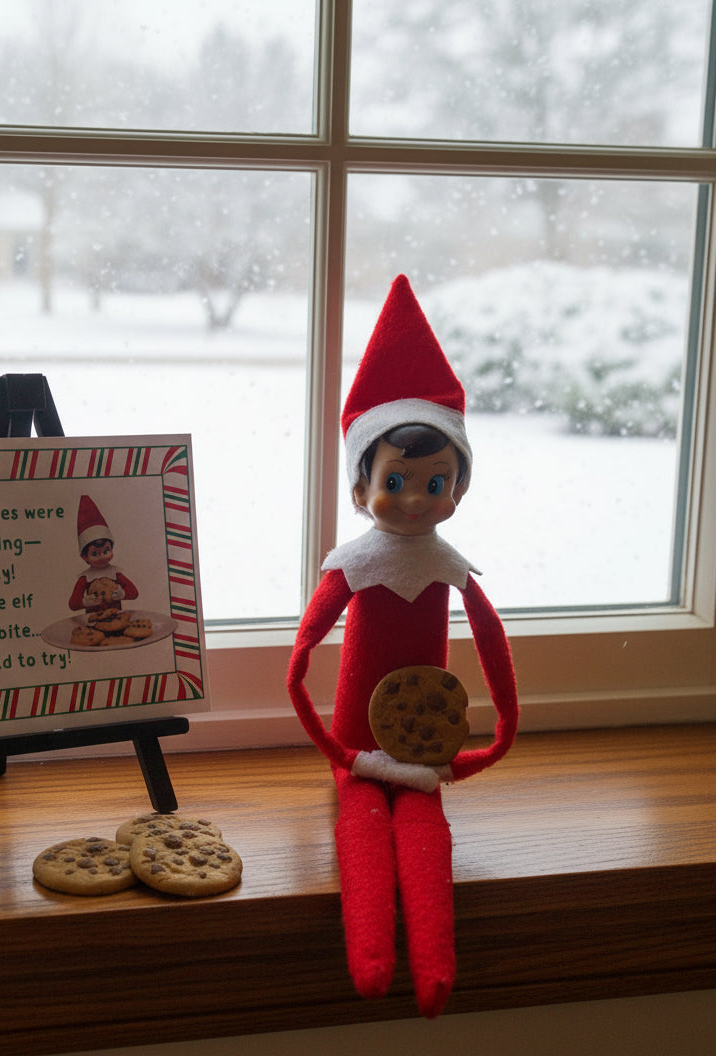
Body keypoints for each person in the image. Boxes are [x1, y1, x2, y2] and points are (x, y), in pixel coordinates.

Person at [286, 274, 518, 1018]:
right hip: (357, 739)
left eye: (436, 482)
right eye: (396, 481)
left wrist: (491, 743)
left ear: (458, 489)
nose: (416, 499)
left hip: (422, 748)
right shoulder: (355, 565)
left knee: (423, 828)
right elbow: (300, 658)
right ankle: (372, 961)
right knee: (361, 824)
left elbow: (491, 648)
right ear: (361, 491)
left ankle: (434, 970)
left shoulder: (450, 568)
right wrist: (334, 744)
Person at [68, 495, 139, 615]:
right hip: (93, 621)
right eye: (95, 553)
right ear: (84, 557)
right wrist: (85, 602)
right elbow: (73, 604)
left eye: (106, 551)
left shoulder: (115, 574)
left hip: (116, 617)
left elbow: (134, 592)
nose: (102, 557)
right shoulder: (85, 578)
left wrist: (122, 594)